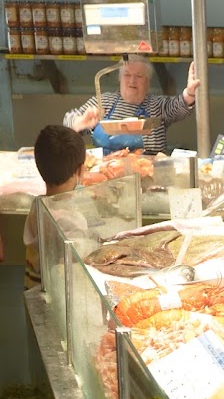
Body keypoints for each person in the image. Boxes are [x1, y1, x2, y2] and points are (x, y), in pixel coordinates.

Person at [63, 57, 200, 156]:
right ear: (120, 79)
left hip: (148, 176)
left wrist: (189, 93)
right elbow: (69, 120)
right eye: (127, 75)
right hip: (106, 174)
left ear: (147, 81)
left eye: (139, 76)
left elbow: (180, 105)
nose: (132, 80)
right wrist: (79, 122)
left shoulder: (158, 105)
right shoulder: (102, 101)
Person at [23, 124, 87, 290]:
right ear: (81, 170)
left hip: (33, 290)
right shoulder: (73, 221)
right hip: (55, 299)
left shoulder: (37, 206)